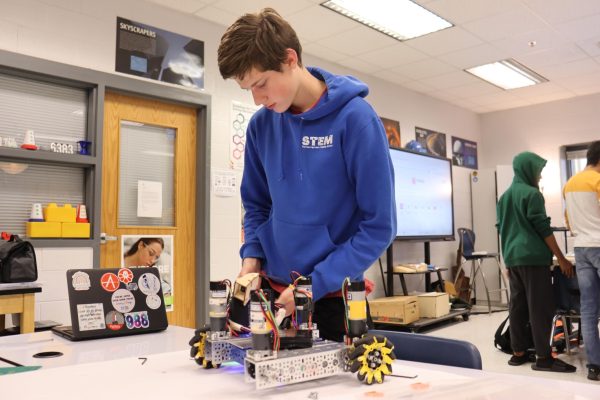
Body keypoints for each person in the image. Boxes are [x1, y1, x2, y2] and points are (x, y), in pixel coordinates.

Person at [217, 8, 396, 342]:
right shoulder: (260, 127)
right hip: (272, 296)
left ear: (289, 59)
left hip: (333, 300)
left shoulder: (356, 120)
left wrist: (315, 283)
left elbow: (378, 227)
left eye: (261, 84)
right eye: (248, 90)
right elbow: (257, 206)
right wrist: (251, 258)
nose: (258, 99)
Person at [497, 151, 576, 373]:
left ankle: (518, 353)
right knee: (540, 307)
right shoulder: (532, 194)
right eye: (538, 171)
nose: (540, 176)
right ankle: (543, 358)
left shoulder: (504, 197)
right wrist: (561, 258)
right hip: (533, 258)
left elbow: (502, 230)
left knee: (518, 307)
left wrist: (508, 260)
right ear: (527, 169)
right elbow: (543, 228)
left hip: (513, 258)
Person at [563, 140, 600, 381]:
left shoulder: (569, 184)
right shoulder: (597, 181)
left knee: (588, 309)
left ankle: (594, 366)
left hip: (580, 248)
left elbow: (567, 220)